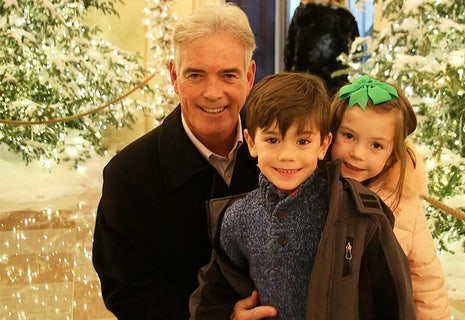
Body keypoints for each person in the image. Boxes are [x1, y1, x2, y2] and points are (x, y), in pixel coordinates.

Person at [91, 3, 272, 319]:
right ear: (175, 76)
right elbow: (127, 290)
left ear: (249, 76)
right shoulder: (129, 176)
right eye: (196, 75)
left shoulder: (283, 157)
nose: (212, 93)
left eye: (228, 75)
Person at [189, 72, 417, 319]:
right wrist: (228, 315)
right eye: (273, 140)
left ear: (323, 145)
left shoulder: (359, 214)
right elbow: (214, 291)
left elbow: (394, 301)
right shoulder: (238, 218)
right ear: (252, 142)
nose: (287, 155)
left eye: (302, 141)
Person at [329, 75, 452, 320]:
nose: (357, 154)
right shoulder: (314, 191)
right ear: (331, 132)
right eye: (349, 136)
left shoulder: (405, 205)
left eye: (376, 145)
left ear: (393, 153)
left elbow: (426, 281)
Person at [283, 0, 359, 96]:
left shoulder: (302, 13)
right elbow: (356, 54)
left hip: (302, 84)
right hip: (335, 87)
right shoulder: (345, 17)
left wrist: (288, 77)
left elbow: (288, 53)